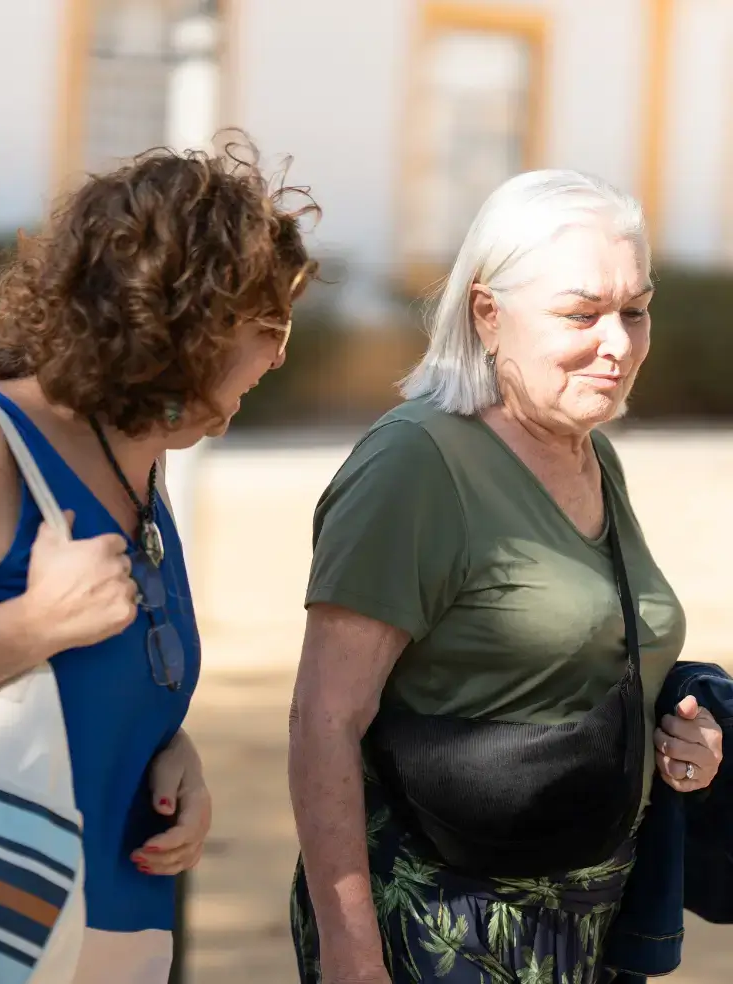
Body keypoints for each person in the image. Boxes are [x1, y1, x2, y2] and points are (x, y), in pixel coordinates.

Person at [0, 141, 317, 983]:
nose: (278, 355)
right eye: (268, 325)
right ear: (186, 320)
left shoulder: (140, 461)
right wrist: (30, 626)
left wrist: (169, 750)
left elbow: (80, 688)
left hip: (115, 944)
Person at [287, 169, 724, 984]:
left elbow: (588, 660)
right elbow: (323, 719)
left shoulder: (592, 454)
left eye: (637, 309)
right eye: (581, 313)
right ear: (488, 314)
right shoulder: (416, 464)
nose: (619, 343)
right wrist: (350, 949)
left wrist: (682, 742)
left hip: (593, 927)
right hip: (440, 932)